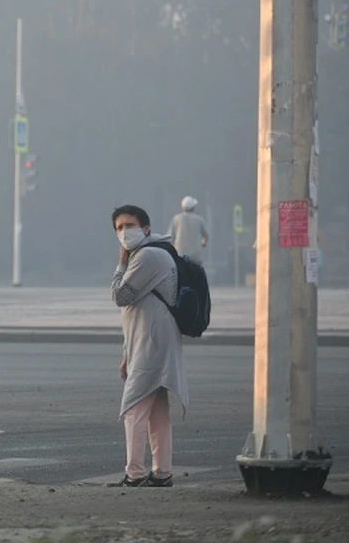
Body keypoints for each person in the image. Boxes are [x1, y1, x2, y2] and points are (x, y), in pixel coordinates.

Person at [109, 204, 189, 488]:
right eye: (119, 228)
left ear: (145, 228)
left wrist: (120, 262)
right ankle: (162, 473)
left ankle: (134, 474)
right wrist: (126, 354)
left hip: (152, 341)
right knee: (156, 410)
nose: (124, 232)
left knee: (133, 408)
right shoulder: (149, 254)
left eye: (129, 225)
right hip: (148, 340)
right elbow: (135, 311)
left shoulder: (148, 256)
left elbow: (121, 296)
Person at [167, 196, 208, 265]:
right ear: (193, 207)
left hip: (179, 255)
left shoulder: (176, 219)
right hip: (195, 257)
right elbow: (206, 237)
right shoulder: (199, 220)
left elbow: (170, 237)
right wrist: (202, 244)